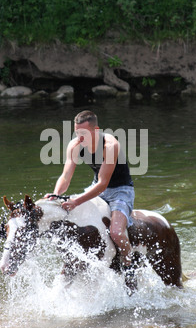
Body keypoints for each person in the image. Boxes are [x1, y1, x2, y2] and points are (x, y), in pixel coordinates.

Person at [45, 110, 137, 293]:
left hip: (120, 191)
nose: (80, 138)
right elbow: (65, 177)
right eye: (77, 133)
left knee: (117, 233)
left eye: (84, 134)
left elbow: (104, 184)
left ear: (96, 130)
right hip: (95, 188)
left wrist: (77, 201)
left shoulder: (110, 145)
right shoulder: (75, 145)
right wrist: (55, 196)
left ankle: (129, 265)